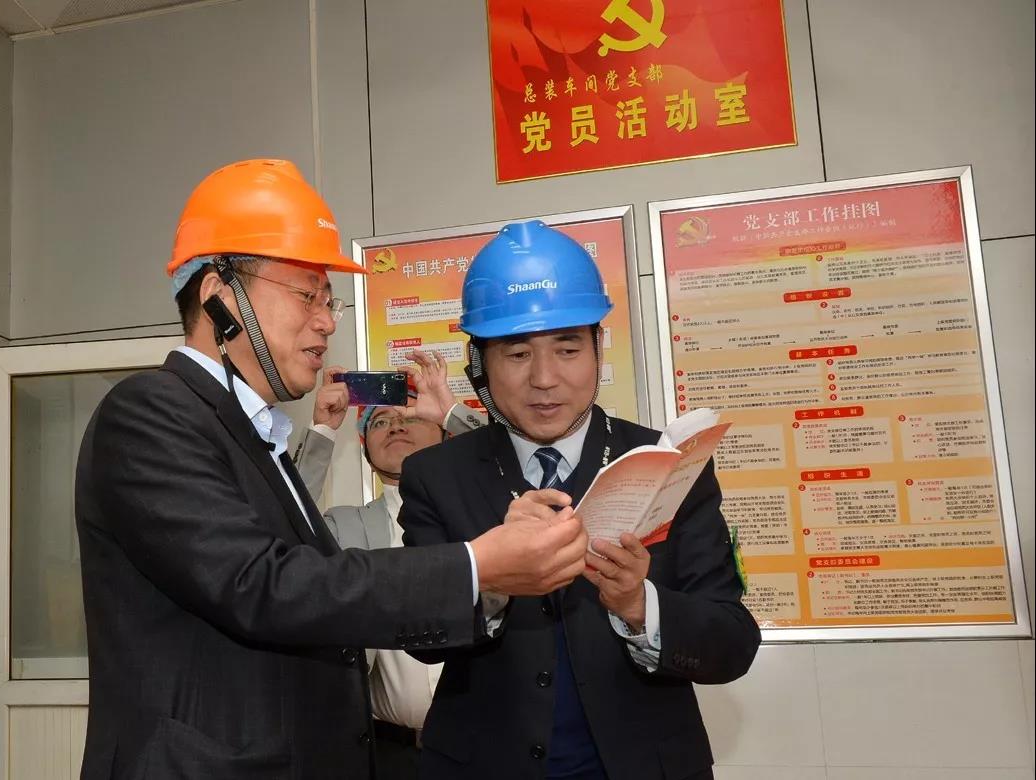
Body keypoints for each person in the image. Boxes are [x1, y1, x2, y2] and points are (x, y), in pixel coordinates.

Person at [74, 161, 588, 780]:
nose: (326, 320)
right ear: (219, 296)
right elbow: (262, 585)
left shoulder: (252, 432)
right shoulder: (151, 413)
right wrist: (476, 567)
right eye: (306, 295)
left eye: (328, 300)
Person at [398, 220, 762, 780]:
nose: (545, 379)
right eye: (517, 354)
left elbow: (732, 642)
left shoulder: (669, 463)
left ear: (597, 349)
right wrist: (492, 579)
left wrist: (639, 604)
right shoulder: (436, 475)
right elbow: (419, 637)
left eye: (567, 349)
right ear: (480, 366)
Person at [294, 350, 486, 778]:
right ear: (365, 451)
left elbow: (516, 462)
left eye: (411, 416)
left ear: (444, 436)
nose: (396, 425)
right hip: (391, 755)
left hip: (487, 747)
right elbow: (281, 522)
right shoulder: (343, 527)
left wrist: (452, 412)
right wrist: (322, 428)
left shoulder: (483, 511)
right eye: (379, 422)